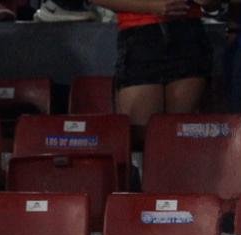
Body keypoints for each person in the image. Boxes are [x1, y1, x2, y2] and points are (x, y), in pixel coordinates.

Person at [90, 0, 220, 146]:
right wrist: (151, 6)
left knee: (181, 138)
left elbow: (212, 4)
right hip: (140, 38)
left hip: (187, 36)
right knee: (143, 138)